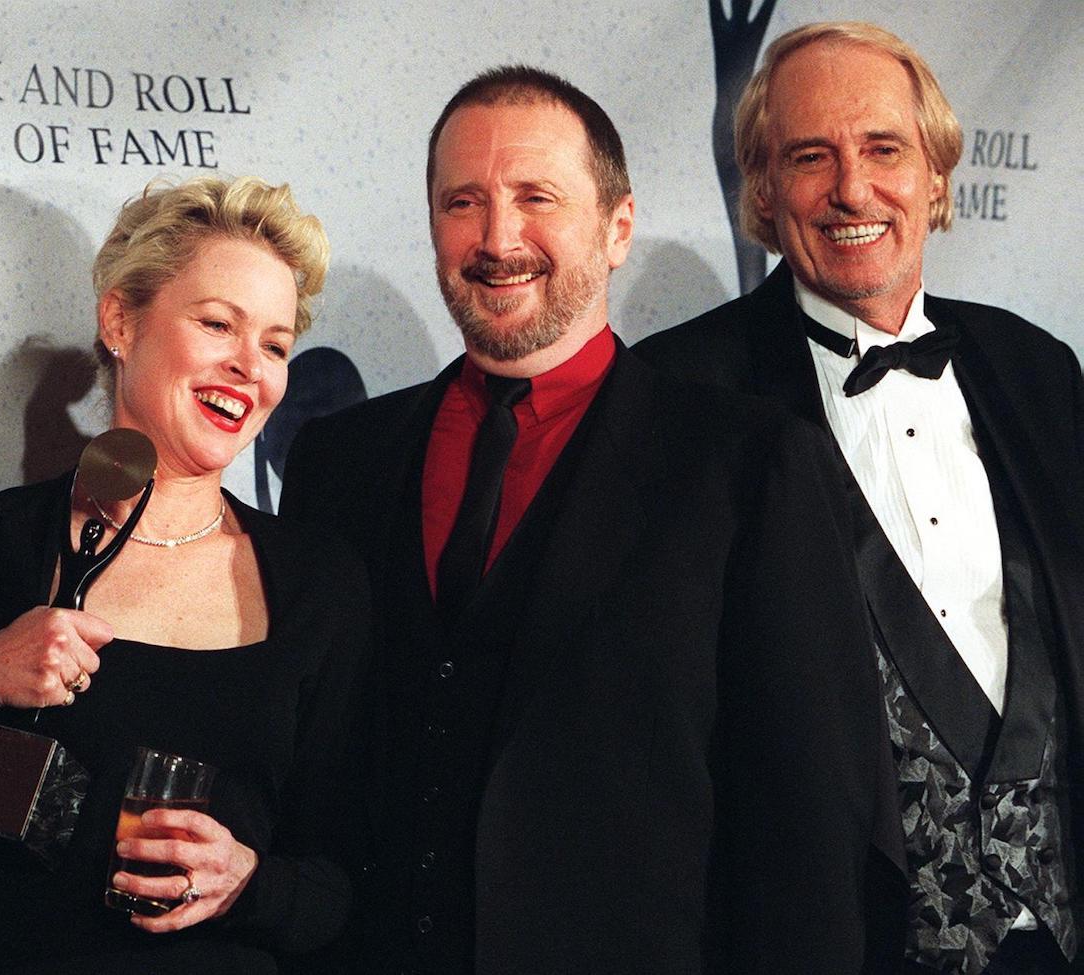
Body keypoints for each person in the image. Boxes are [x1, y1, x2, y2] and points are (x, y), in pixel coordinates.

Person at [281, 65, 881, 974]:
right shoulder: (340, 462)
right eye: (463, 203)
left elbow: (809, 825)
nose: (497, 239)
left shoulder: (750, 465)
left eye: (537, 198)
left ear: (617, 228)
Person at [635, 21, 1084, 975]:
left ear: (936, 174)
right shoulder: (680, 397)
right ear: (763, 189)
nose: (852, 189)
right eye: (811, 157)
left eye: (884, 149)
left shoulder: (1039, 370)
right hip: (829, 944)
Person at [0, 176, 368, 974]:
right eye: (218, 323)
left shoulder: (321, 587)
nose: (249, 367)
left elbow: (345, 880)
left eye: (276, 345)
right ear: (119, 320)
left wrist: (250, 883)